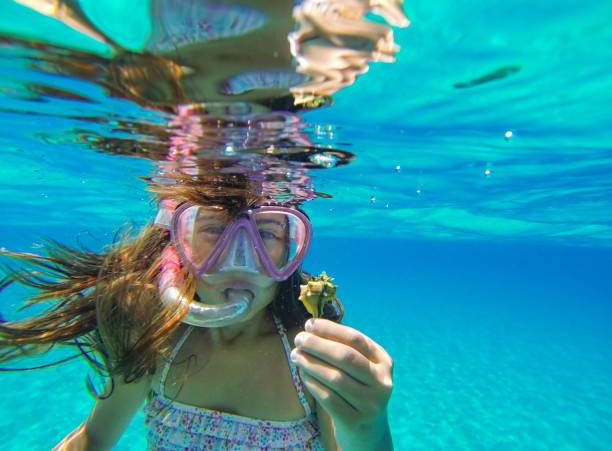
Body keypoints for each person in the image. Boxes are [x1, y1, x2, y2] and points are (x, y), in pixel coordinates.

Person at [0, 171, 394, 450]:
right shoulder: (157, 338)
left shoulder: (306, 354)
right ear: (178, 248)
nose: (240, 262)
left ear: (290, 250)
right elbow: (95, 439)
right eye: (214, 231)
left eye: (268, 234)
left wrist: (369, 432)